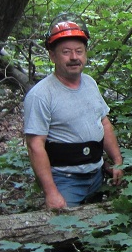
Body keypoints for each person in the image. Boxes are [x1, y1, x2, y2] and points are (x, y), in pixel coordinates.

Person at [24, 14, 123, 209]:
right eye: (66, 52)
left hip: (96, 174)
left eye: (79, 51)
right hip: (65, 181)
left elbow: (104, 122)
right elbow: (35, 145)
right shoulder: (41, 95)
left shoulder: (90, 83)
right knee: (62, 233)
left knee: (95, 233)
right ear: (52, 55)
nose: (74, 57)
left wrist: (117, 160)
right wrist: (51, 192)